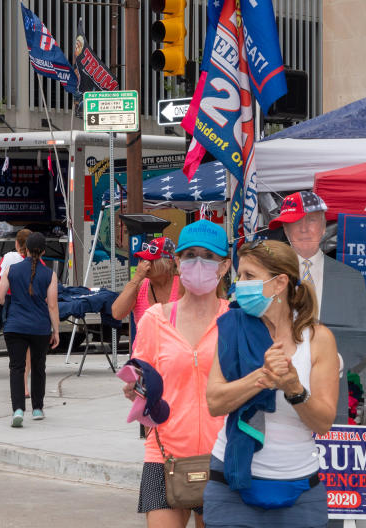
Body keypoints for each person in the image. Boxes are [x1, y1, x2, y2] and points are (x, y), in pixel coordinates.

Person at [204, 239, 339, 528]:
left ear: (280, 283)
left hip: (300, 487)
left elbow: (323, 422)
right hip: (232, 486)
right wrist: (260, 378)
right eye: (239, 276)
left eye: (250, 276)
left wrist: (294, 389)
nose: (240, 284)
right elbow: (215, 402)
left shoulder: (318, 339)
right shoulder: (232, 326)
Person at [123, 220, 230, 528]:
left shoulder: (235, 319)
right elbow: (138, 376)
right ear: (178, 263)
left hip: (224, 455)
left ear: (223, 267)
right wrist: (134, 389)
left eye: (208, 256)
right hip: (164, 454)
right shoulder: (155, 320)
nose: (199, 263)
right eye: (190, 255)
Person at [270, 190, 366, 425]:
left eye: (312, 220)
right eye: (296, 222)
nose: (304, 228)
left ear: (324, 226)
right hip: (277, 392)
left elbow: (364, 335)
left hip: (331, 394)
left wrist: (330, 363)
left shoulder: (351, 278)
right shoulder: (269, 277)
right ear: (285, 230)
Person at [0, 232, 60, 428]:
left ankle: (18, 410)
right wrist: (56, 330)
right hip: (40, 328)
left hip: (15, 326)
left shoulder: (12, 270)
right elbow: (52, 305)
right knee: (39, 367)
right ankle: (38, 408)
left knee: (16, 368)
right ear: (44, 252)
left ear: (26, 250)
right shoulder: (50, 274)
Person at [0, 229, 32, 396]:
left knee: (15, 349)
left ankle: (17, 385)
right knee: (28, 349)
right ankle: (25, 386)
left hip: (12, 307)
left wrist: (6, 291)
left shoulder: (8, 258)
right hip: (31, 308)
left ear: (17, 243)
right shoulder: (37, 261)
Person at [112, 235, 182, 328]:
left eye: (151, 260)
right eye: (143, 259)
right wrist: (136, 278)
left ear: (169, 262)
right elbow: (117, 313)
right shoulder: (139, 286)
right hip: (144, 342)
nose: (146, 264)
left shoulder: (182, 284)